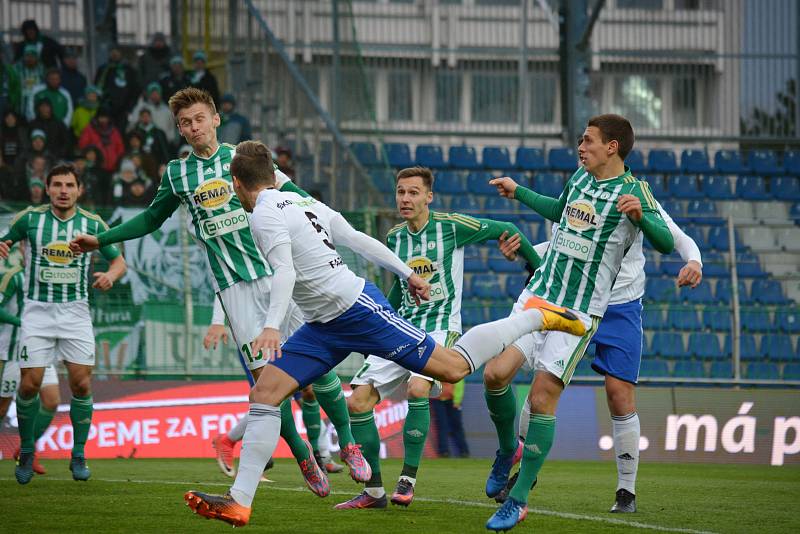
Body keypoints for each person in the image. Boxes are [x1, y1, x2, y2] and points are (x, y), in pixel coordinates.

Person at [182, 140, 586, 527]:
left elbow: (287, 269)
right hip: (323, 326)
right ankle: (240, 501)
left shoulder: (265, 213)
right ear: (273, 174)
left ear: (236, 184)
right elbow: (357, 239)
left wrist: (271, 326)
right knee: (265, 393)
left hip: (357, 309)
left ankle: (535, 316)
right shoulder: (304, 200)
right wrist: (407, 271)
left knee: (452, 369)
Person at [68, 87, 367, 490]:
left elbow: (297, 197)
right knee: (268, 384)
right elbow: (151, 220)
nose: (192, 128)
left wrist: (336, 226)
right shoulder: (177, 173)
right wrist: (102, 241)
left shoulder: (243, 158)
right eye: (184, 123)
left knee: (320, 369)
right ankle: (304, 458)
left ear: (215, 119)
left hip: (279, 273)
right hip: (235, 290)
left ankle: (348, 444)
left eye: (198, 119)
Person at [478, 114, 676, 531]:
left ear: (613, 147)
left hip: (577, 314)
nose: (580, 147)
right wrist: (519, 193)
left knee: (540, 400)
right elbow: (559, 209)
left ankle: (518, 498)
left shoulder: (634, 190)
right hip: (539, 295)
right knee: (494, 375)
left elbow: (664, 241)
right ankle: (503, 451)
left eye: (587, 141)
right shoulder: (580, 179)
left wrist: (642, 218)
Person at [337, 166, 542, 510]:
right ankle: (373, 492)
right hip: (400, 326)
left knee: (418, 389)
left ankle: (408, 479)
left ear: (429, 197)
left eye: (413, 192)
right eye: (401, 192)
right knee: (357, 403)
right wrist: (379, 319)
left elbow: (506, 229)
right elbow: (400, 289)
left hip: (440, 326)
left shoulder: (451, 227)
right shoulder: (395, 237)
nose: (405, 198)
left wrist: (537, 271)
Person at [495, 207, 703, 513]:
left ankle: (626, 490)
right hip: (575, 301)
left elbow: (677, 237)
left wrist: (694, 260)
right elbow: (560, 249)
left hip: (621, 307)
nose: (582, 157)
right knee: (544, 381)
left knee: (619, 394)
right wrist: (523, 250)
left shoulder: (637, 195)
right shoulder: (577, 191)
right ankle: (525, 473)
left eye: (587, 153)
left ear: (611, 154)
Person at [0, 163, 128, 484]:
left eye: (69, 185)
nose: (63, 191)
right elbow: (5, 241)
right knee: (29, 383)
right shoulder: (30, 219)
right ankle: (27, 450)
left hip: (75, 312)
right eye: (56, 184)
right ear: (47, 188)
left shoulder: (92, 224)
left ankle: (79, 453)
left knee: (81, 384)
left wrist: (111, 276)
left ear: (79, 190)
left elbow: (119, 261)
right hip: (37, 312)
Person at [0, 245, 60, 476]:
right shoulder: (13, 277)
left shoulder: (52, 282)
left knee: (51, 401)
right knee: (2, 408)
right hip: (12, 353)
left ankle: (27, 451)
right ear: (25, 251)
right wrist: (22, 323)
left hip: (40, 350)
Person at [94, 47, 139, 131]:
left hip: (124, 110)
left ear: (121, 53)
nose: (115, 54)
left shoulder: (128, 70)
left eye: (117, 51)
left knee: (121, 134)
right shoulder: (103, 69)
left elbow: (135, 90)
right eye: (112, 51)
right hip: (106, 108)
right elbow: (96, 88)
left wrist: (130, 107)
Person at [78, 107, 125, 173]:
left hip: (112, 167)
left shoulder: (114, 131)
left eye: (105, 118)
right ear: (97, 117)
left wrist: (118, 160)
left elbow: (120, 147)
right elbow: (83, 145)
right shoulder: (90, 129)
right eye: (101, 117)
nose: (103, 120)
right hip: (95, 168)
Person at [129, 82, 176, 146]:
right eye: (152, 93)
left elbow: (171, 127)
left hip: (163, 143)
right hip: (145, 141)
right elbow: (133, 122)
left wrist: (170, 140)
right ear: (149, 94)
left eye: (157, 93)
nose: (155, 95)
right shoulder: (143, 107)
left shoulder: (167, 110)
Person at [14, 44, 45, 122]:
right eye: (27, 55)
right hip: (18, 109)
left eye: (33, 56)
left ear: (37, 57)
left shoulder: (42, 70)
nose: (30, 58)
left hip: (37, 110)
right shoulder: (16, 69)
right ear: (24, 56)